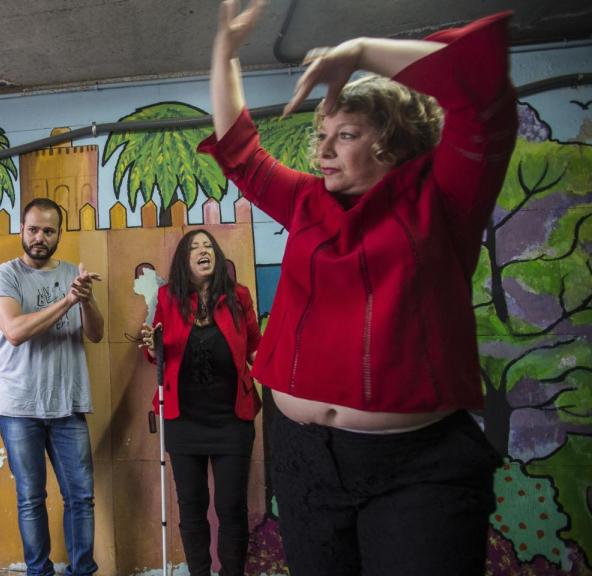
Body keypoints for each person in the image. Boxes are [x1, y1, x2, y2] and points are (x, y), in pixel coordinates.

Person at [200, 1, 517, 574]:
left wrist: (361, 51)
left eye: (344, 135)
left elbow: (482, 90)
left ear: (396, 143)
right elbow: (241, 151)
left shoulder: (445, 200)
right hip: (302, 456)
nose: (321, 150)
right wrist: (225, 50)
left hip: (416, 467)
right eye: (321, 134)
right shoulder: (306, 202)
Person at [0, 198, 105, 576]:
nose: (40, 237)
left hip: (67, 404)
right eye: (33, 229)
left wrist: (85, 301)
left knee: (81, 498)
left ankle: (81, 571)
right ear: (22, 229)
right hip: (19, 407)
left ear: (58, 235)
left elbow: (97, 334)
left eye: (48, 231)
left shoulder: (73, 273)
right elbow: (15, 331)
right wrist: (68, 299)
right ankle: (40, 572)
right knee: (31, 499)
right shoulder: (4, 275)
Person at [137, 229, 261, 576]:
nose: (203, 250)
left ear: (216, 256)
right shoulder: (167, 297)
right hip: (183, 418)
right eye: (195, 247)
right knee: (192, 508)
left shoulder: (238, 296)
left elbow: (255, 347)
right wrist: (151, 345)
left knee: (231, 507)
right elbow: (158, 355)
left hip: (232, 419)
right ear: (184, 261)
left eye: (208, 246)